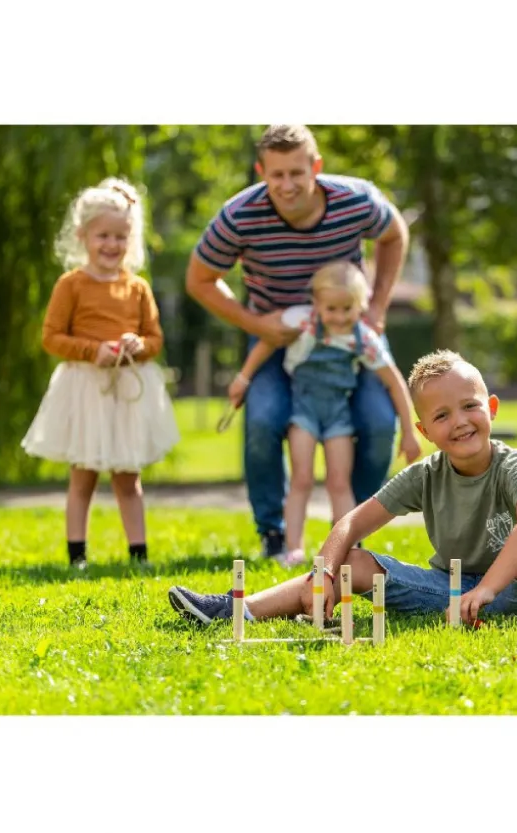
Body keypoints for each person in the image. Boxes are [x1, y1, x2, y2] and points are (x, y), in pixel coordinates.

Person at [167, 350, 517, 632]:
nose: (459, 421)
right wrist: (324, 575)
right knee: (354, 561)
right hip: (449, 591)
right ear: (423, 430)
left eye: (470, 407)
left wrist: (488, 590)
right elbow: (352, 522)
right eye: (441, 416)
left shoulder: (512, 464)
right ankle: (237, 609)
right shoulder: (425, 474)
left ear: (491, 409)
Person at [186, 124, 410, 560]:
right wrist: (256, 324)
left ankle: (352, 533)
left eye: (296, 173)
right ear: (261, 172)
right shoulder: (239, 215)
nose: (287, 185)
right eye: (276, 175)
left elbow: (395, 233)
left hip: (346, 340)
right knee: (264, 421)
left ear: (316, 167)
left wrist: (378, 306)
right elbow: (199, 279)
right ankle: (275, 535)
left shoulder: (355, 200)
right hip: (276, 339)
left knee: (382, 422)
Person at [21, 177, 180, 571]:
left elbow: (154, 338)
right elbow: (52, 337)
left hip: (127, 389)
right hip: (86, 387)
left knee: (128, 476)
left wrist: (136, 345)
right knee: (84, 474)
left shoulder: (138, 288)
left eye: (120, 237)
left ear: (132, 238)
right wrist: (94, 351)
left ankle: (138, 555)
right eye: (103, 236)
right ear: (83, 236)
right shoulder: (71, 285)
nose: (112, 245)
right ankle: (77, 556)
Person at [228, 261, 421, 567]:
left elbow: (395, 382)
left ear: (360, 306)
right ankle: (293, 548)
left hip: (338, 417)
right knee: (302, 479)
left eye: (348, 309)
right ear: (315, 303)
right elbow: (266, 342)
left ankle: (345, 546)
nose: (340, 317)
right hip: (303, 413)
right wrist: (243, 378)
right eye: (331, 308)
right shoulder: (302, 321)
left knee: (339, 483)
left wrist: (409, 432)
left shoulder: (364, 338)